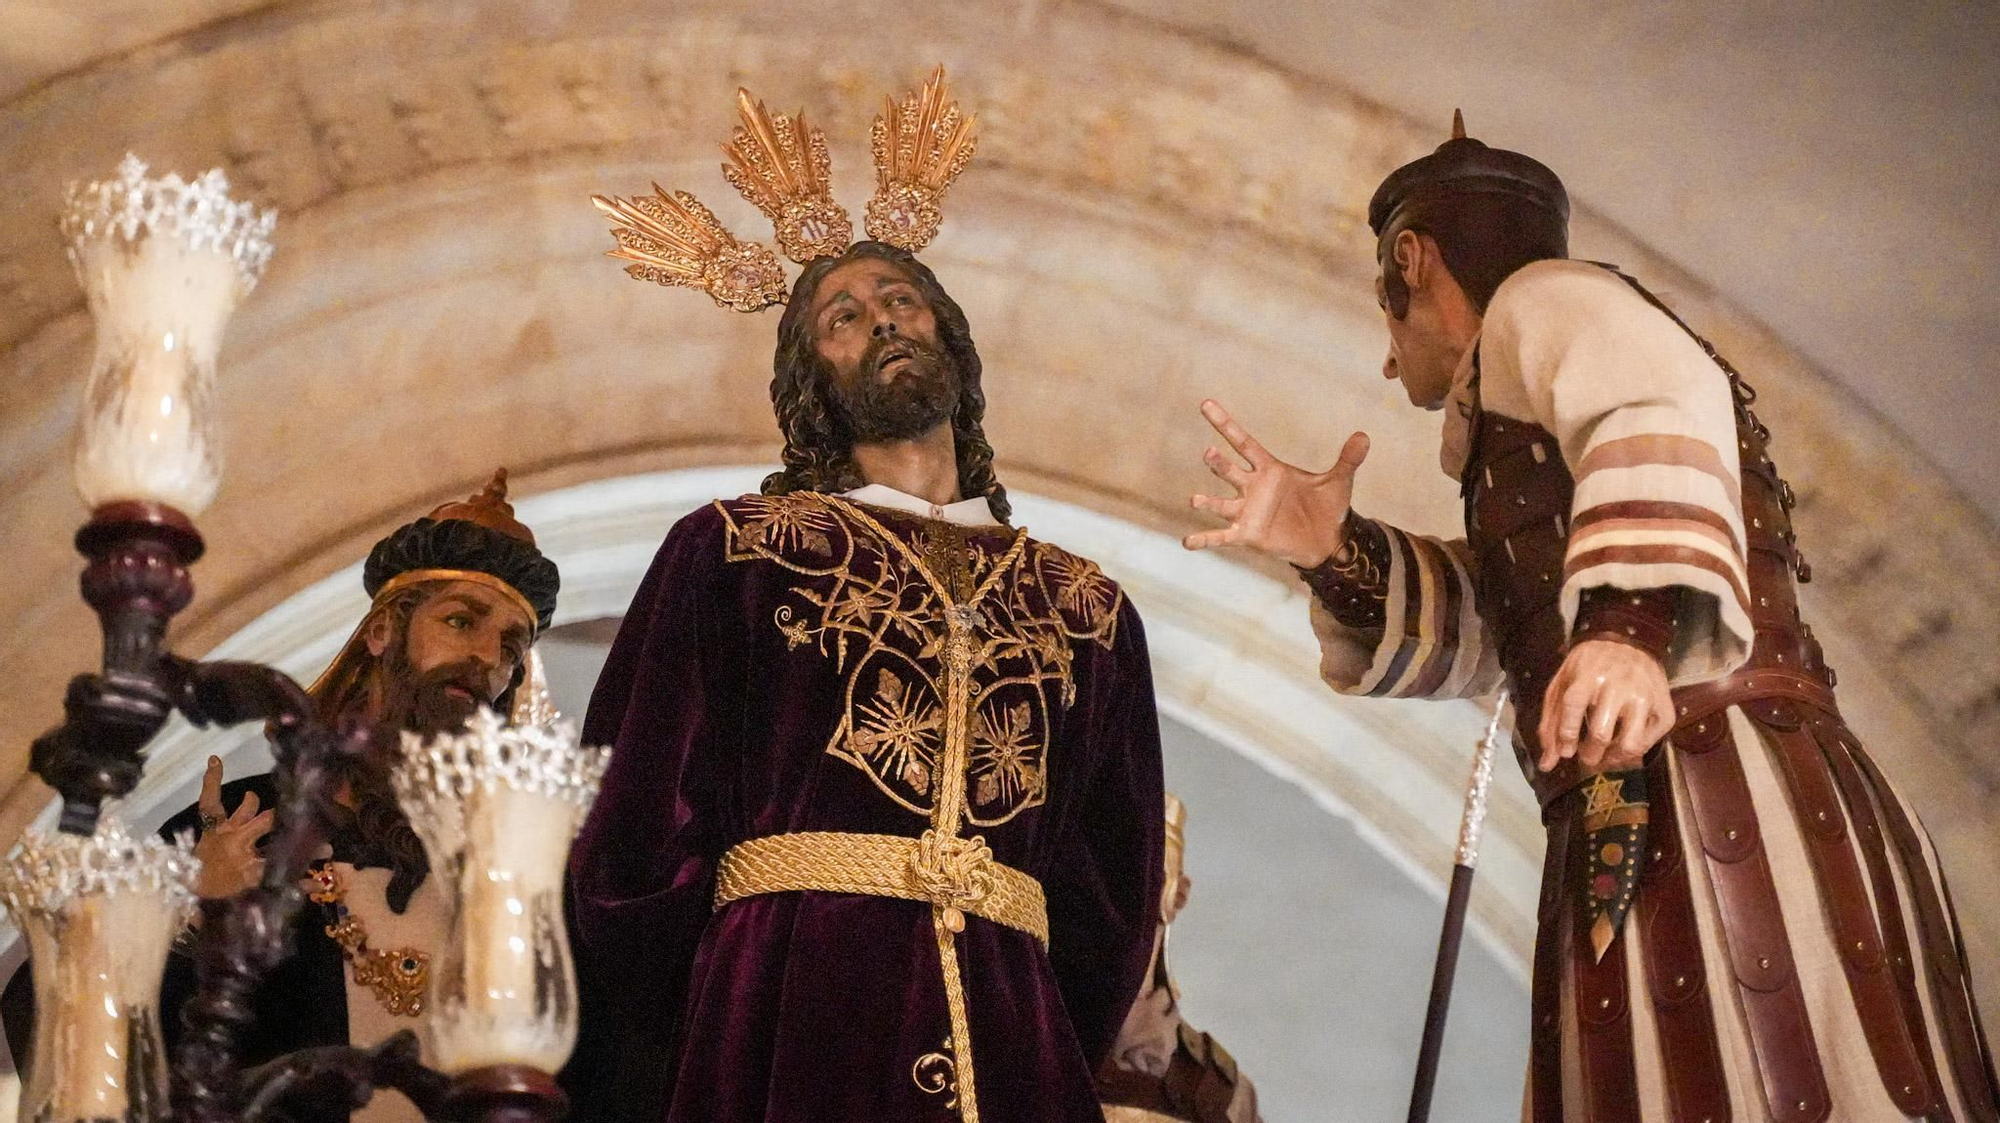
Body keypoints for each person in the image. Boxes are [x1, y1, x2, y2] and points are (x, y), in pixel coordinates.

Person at [1186, 115, 2000, 1121]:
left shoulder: (1548, 300)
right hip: (1643, 802)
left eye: (1383, 313)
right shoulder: (1521, 421)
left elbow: (1656, 402)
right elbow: (1504, 634)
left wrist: (1624, 627)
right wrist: (1330, 548)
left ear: (1412, 256)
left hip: (1718, 784)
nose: (1388, 364)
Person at [566, 69, 1166, 1123]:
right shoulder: (734, 555)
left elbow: (1108, 899)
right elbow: (630, 833)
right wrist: (693, 1029)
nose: (881, 321)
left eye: (901, 300)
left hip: (1004, 1025)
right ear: (809, 376)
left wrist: (1031, 1022)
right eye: (841, 318)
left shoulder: (1086, 612)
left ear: (949, 337)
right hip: (787, 1009)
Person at [4, 470, 560, 1123]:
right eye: (461, 620)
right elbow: (65, 1018)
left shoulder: (510, 867)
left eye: (510, 647)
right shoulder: (252, 824)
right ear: (381, 631)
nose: (487, 659)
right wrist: (191, 920)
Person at [1097, 795, 1263, 1123]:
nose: (1130, 890)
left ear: (1179, 893)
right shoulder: (1033, 1045)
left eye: (1150, 873)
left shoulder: (1223, 1091)